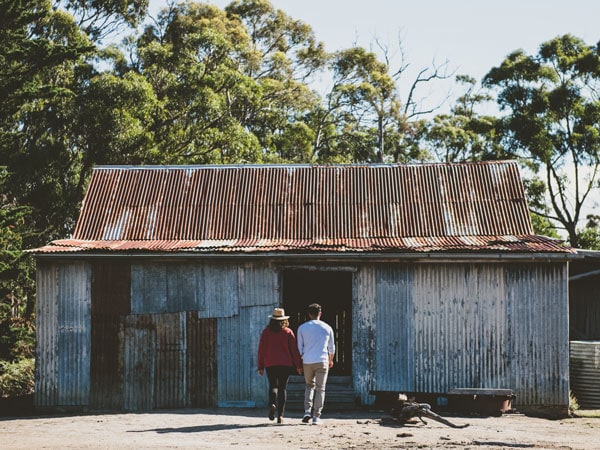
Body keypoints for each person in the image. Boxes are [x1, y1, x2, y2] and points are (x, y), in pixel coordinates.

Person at [257, 307, 303, 424]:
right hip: (285, 364)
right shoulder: (288, 332)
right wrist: (298, 365)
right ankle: (280, 415)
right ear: (284, 320)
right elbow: (294, 350)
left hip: (270, 364)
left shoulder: (266, 332)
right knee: (282, 388)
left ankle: (272, 403)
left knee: (273, 385)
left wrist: (260, 366)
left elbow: (261, 350)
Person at [297, 303, 335, 426]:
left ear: (309, 314)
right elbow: (332, 348)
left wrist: (303, 357)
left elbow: (299, 347)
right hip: (322, 359)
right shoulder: (327, 328)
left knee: (309, 385)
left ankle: (307, 411)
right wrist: (330, 359)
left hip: (307, 361)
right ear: (320, 313)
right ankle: (316, 416)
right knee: (320, 388)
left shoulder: (302, 328)